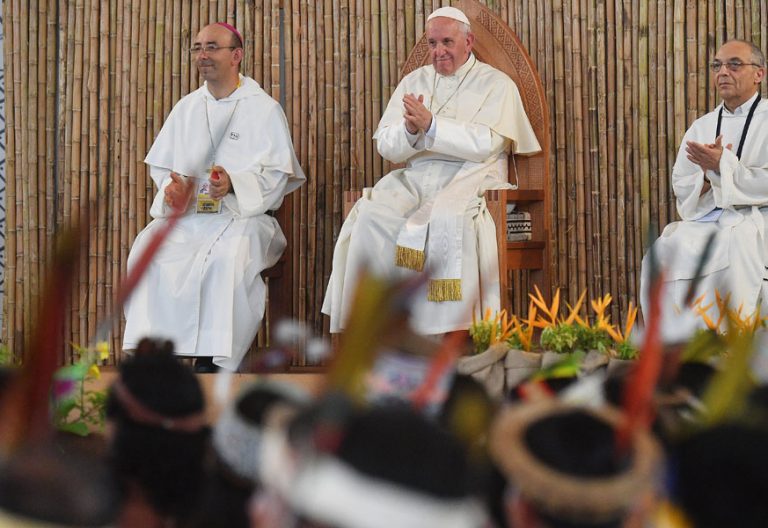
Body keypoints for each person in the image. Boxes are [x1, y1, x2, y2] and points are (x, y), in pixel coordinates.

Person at [322, 6, 540, 336]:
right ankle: (379, 327)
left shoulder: (497, 85)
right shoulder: (415, 81)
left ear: (469, 41)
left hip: (472, 177)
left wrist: (432, 125)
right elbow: (386, 145)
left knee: (449, 222)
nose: (438, 51)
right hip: (417, 177)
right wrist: (411, 132)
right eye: (432, 43)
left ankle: (449, 335)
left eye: (447, 42)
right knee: (369, 216)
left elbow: (487, 143)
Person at [122, 22, 305, 371]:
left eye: (211, 47)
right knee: (148, 250)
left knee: (226, 259)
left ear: (236, 55)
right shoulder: (186, 108)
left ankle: (214, 358)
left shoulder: (263, 109)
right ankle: (158, 357)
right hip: (191, 217)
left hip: (245, 219)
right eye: (197, 48)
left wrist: (234, 183)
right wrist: (171, 190)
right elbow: (162, 170)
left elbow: (278, 174)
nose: (202, 55)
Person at [641, 40, 767, 325]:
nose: (723, 72)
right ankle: (673, 344)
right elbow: (681, 182)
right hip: (708, 217)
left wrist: (723, 166)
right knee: (661, 251)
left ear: (759, 74)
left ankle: (730, 342)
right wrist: (707, 177)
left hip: (757, 218)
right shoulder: (702, 125)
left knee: (736, 244)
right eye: (717, 65)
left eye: (734, 64)